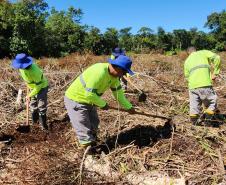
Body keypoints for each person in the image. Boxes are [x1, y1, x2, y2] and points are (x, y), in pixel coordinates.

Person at [64, 55, 135, 148]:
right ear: (117, 67)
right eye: (123, 72)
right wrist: (103, 104)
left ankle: (93, 144)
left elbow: (119, 95)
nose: (123, 75)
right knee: (83, 126)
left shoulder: (114, 77)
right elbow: (89, 94)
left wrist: (129, 107)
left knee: (94, 123)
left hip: (91, 101)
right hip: (76, 100)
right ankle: (88, 154)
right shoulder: (99, 72)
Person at [184, 47, 221, 126]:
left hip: (192, 86)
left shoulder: (186, 61)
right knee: (212, 102)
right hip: (205, 83)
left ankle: (195, 126)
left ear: (188, 53)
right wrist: (216, 72)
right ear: (195, 50)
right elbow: (217, 57)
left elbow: (187, 76)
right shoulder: (203, 52)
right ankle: (207, 122)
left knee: (194, 106)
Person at [12, 53, 49, 130]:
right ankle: (34, 124)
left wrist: (29, 95)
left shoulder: (35, 71)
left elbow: (38, 86)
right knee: (33, 105)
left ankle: (44, 127)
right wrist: (28, 86)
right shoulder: (21, 68)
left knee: (41, 106)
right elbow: (26, 78)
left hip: (41, 87)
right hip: (33, 88)